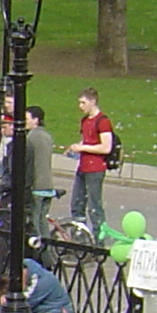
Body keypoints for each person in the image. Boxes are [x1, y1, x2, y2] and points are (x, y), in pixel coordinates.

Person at [69, 88, 115, 232]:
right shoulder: (84, 121)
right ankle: (79, 235)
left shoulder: (103, 121)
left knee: (94, 206)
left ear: (93, 102)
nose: (80, 106)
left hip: (95, 169)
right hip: (82, 167)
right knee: (77, 204)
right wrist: (76, 147)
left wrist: (83, 148)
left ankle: (98, 238)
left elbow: (106, 147)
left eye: (83, 103)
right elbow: (87, 140)